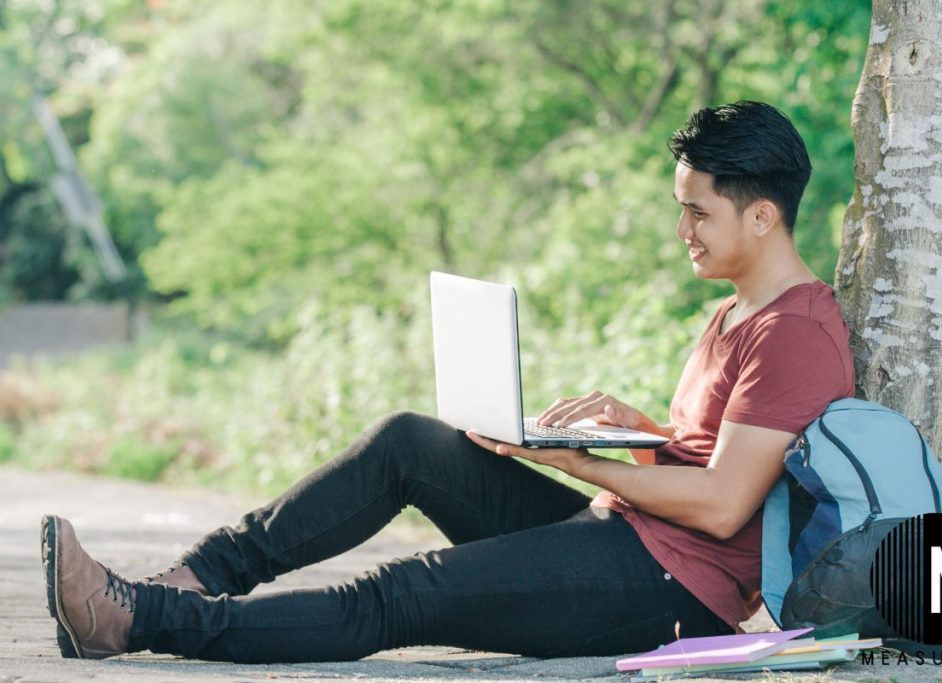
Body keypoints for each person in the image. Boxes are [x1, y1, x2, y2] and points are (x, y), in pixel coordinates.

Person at [40, 101, 855, 663]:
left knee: (401, 594)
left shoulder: (796, 332)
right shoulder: (738, 310)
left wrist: (577, 462)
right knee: (410, 443)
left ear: (761, 216)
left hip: (673, 593)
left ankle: (144, 620)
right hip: (629, 538)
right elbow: (712, 458)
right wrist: (634, 433)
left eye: (697, 213)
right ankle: (182, 580)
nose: (682, 230)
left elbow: (722, 504)